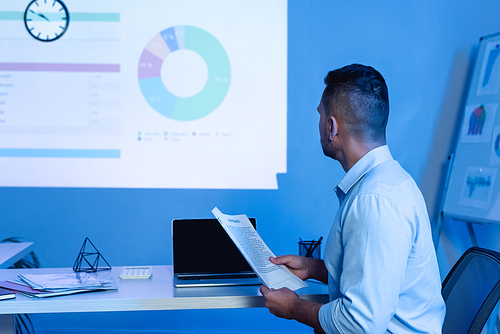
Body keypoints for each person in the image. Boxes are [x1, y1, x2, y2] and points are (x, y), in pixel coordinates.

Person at [260, 64, 446, 333]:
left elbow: (359, 324)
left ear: (331, 126)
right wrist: (313, 268)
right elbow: (378, 277)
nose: (321, 124)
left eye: (321, 116)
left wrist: (294, 309)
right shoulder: (389, 183)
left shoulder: (374, 200)